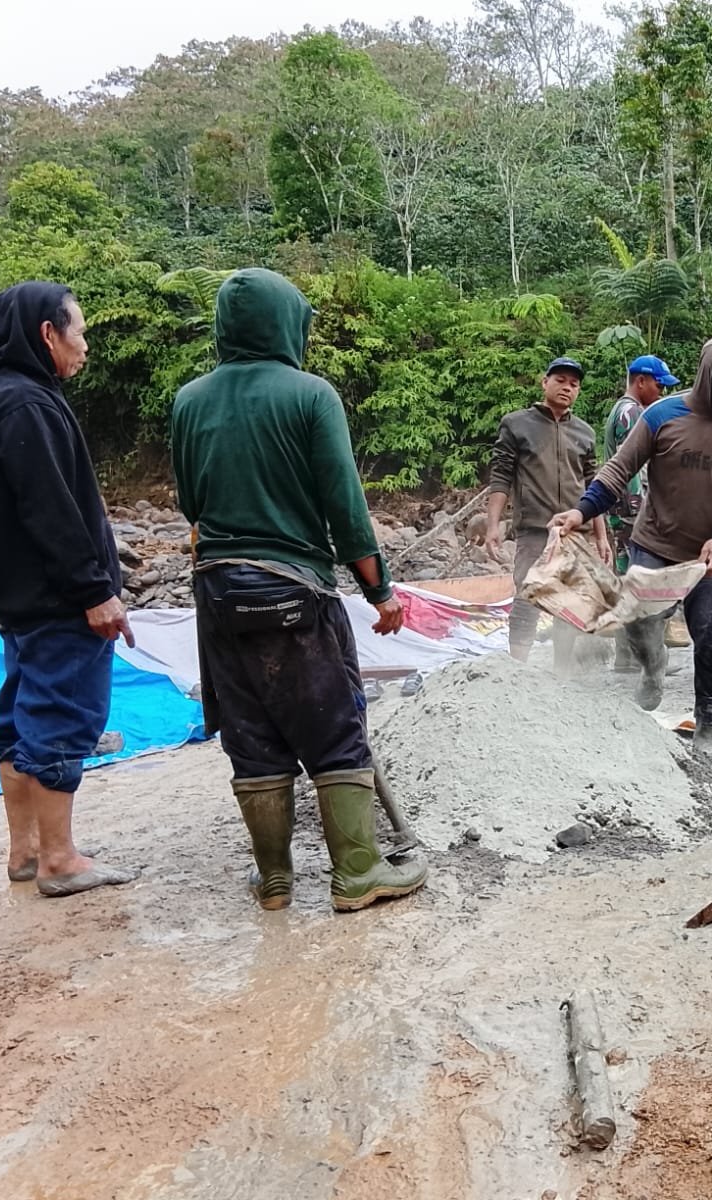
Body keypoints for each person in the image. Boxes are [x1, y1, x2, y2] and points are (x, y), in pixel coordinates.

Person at [170, 268, 424, 913]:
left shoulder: (189, 400)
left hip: (218, 594)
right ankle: (358, 873)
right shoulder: (311, 395)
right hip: (295, 592)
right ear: (287, 324)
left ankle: (275, 879)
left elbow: (191, 502)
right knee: (334, 730)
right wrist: (380, 591)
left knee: (251, 734)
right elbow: (345, 507)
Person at [0, 282, 140, 898]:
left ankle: (28, 851)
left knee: (19, 719)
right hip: (57, 600)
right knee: (61, 720)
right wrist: (94, 591)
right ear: (47, 334)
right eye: (79, 332)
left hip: (21, 600)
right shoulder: (26, 405)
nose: (84, 346)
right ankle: (60, 860)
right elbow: (50, 510)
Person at [550, 335, 712, 748]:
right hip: (656, 546)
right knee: (638, 624)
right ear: (706, 376)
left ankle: (709, 726)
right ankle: (653, 666)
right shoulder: (661, 416)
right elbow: (618, 471)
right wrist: (581, 512)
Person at [485, 357, 607, 666]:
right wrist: (492, 526)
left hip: (575, 533)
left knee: (569, 602)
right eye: (560, 380)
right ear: (545, 382)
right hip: (535, 530)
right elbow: (500, 477)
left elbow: (594, 487)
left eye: (574, 384)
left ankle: (561, 672)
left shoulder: (584, 432)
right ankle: (518, 668)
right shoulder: (516, 424)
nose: (567, 387)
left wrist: (601, 536)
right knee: (528, 596)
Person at [605, 355, 678, 670]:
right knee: (641, 584)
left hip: (621, 511)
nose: (662, 392)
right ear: (641, 381)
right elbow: (630, 465)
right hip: (630, 513)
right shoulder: (631, 413)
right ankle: (642, 658)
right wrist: (639, 511)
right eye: (659, 385)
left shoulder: (624, 410)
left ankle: (628, 657)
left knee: (628, 583)